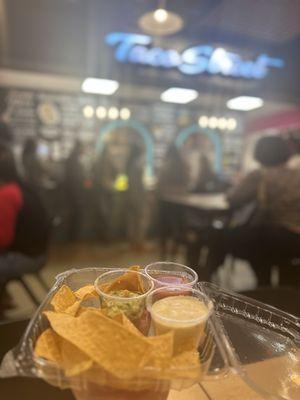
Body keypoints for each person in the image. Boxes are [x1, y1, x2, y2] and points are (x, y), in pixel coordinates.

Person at [201, 135, 300, 285]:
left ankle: (206, 282)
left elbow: (233, 198)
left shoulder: (261, 175)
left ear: (260, 153)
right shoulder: (296, 174)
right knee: (263, 249)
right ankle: (279, 293)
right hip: (295, 240)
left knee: (218, 237)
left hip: (274, 237)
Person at [0, 144, 50, 310]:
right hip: (39, 252)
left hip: (28, 258)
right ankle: (5, 300)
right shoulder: (23, 186)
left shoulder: (7, 193)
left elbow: (3, 239)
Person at [157, 144, 188, 259]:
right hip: (180, 202)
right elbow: (187, 182)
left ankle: (163, 255)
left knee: (164, 230)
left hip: (166, 201)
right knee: (177, 230)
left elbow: (159, 184)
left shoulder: (166, 165)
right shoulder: (183, 165)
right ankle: (173, 255)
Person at [126, 144, 147, 249]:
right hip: (137, 197)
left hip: (130, 196)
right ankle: (138, 244)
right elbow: (138, 184)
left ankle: (132, 243)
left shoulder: (129, 164)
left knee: (132, 221)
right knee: (140, 220)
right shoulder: (137, 164)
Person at [64, 140, 85, 241]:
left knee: (73, 214)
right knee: (75, 215)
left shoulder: (71, 159)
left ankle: (72, 237)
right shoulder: (75, 160)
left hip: (71, 191)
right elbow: (76, 178)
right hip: (75, 192)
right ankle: (73, 237)